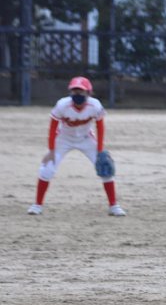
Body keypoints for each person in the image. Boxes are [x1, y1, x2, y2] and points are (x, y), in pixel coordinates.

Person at [28, 76, 126, 216]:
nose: (77, 94)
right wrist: (51, 150)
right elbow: (53, 127)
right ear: (70, 92)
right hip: (63, 139)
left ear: (88, 92)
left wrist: (100, 150)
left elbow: (100, 127)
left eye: (81, 91)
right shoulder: (62, 105)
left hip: (86, 138)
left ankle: (114, 206)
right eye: (74, 91)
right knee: (46, 169)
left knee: (105, 169)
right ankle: (37, 205)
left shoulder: (95, 105)